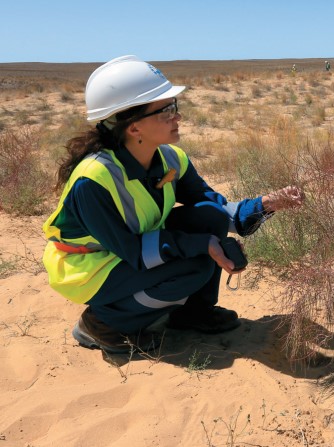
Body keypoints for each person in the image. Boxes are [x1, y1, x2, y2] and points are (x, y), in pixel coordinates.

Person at [42, 55, 304, 354]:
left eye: (174, 107)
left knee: (210, 220)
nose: (177, 117)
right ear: (134, 127)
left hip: (131, 251)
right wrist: (203, 245)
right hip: (89, 266)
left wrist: (265, 204)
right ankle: (103, 323)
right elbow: (134, 253)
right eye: (166, 111)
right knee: (195, 265)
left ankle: (192, 314)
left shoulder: (169, 158)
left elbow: (215, 208)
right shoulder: (93, 181)